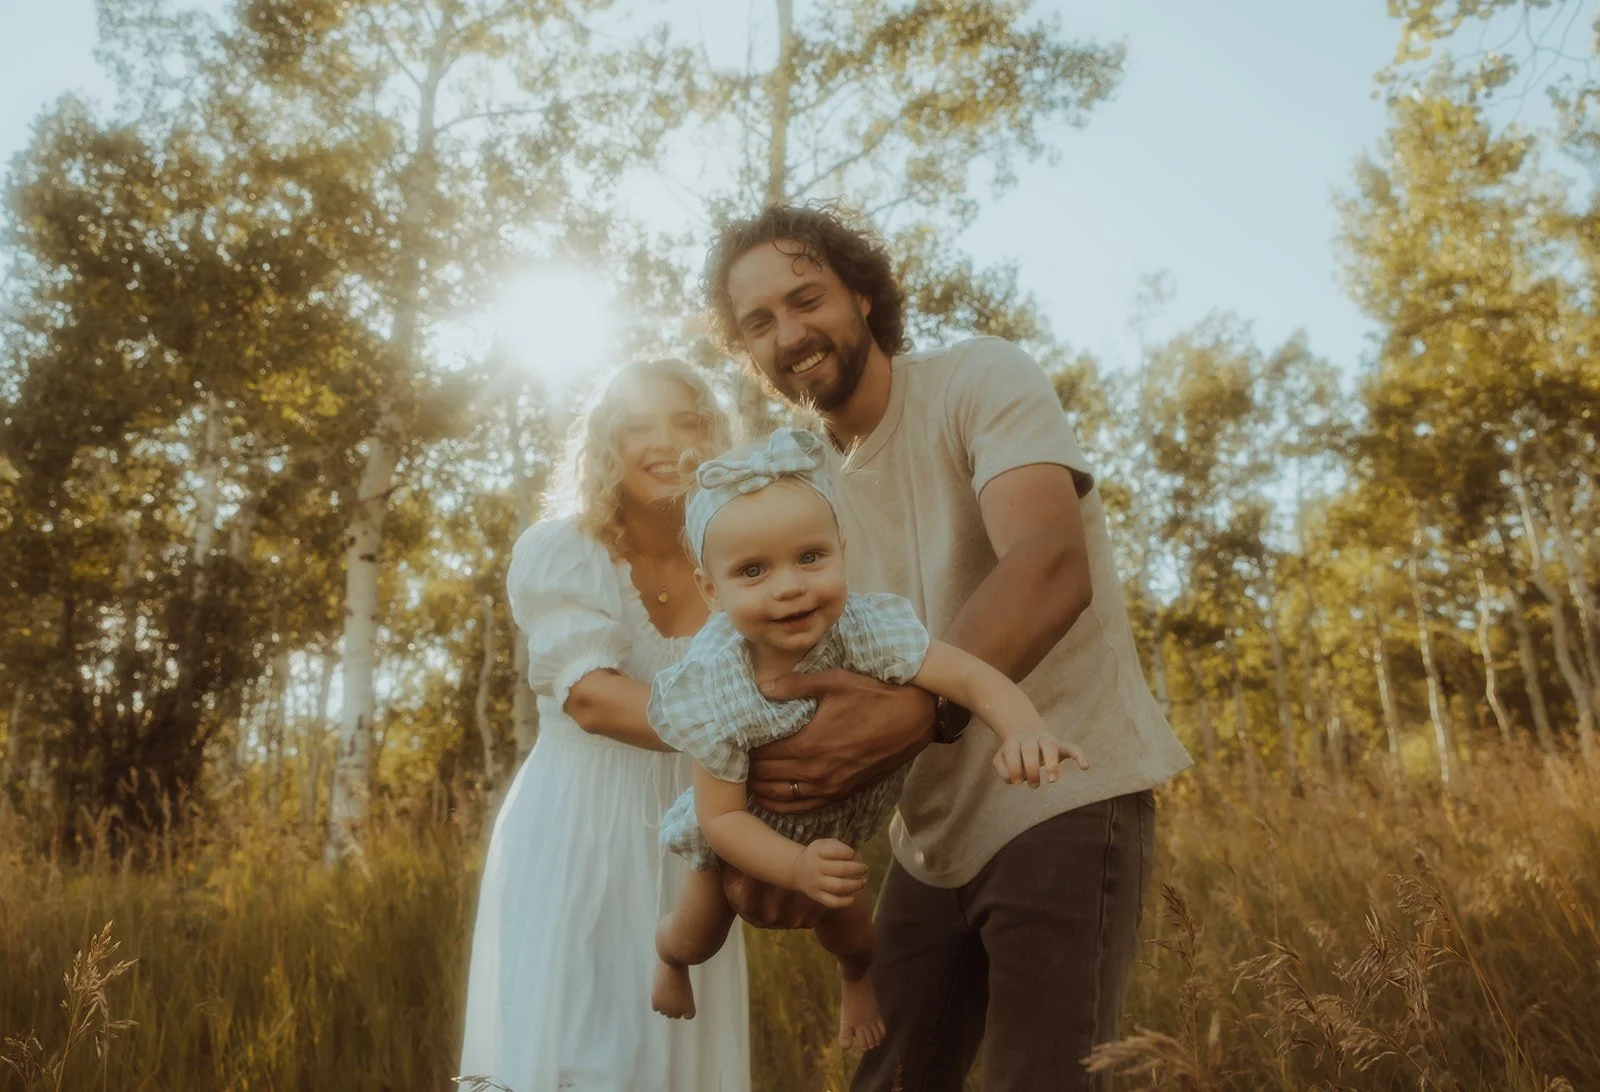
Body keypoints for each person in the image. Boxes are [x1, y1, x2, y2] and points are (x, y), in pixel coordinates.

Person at [702, 206, 1195, 1092]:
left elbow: (1049, 564)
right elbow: (781, 686)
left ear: (861, 292)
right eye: (759, 324)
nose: (790, 334)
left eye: (806, 298)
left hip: (1063, 792)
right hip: (928, 844)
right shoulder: (797, 494)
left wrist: (918, 707)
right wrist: (764, 837)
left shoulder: (978, 377)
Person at [647, 428, 1088, 1053]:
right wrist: (794, 866)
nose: (789, 585)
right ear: (711, 590)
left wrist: (1022, 727)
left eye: (810, 557)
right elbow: (720, 818)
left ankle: (857, 980)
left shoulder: (865, 631)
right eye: (752, 571)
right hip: (737, 842)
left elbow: (964, 673)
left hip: (834, 834)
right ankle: (667, 959)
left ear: (841, 551)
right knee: (697, 935)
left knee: (857, 934)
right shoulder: (715, 683)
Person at [458, 360, 750, 1092]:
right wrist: (740, 729)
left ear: (713, 438)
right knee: (580, 1053)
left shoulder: (736, 554)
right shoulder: (564, 548)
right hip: (577, 826)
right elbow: (590, 696)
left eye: (687, 422)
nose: (666, 443)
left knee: (675, 1060)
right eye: (638, 426)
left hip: (694, 836)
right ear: (605, 446)